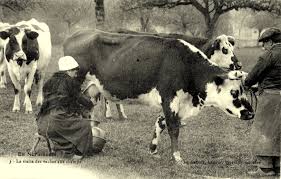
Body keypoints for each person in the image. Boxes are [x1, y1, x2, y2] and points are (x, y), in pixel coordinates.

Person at [36, 56, 95, 160]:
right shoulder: (70, 82)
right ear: (68, 71)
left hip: (42, 123)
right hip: (56, 122)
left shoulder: (48, 82)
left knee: (71, 121)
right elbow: (79, 99)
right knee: (85, 125)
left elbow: (57, 102)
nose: (76, 73)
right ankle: (78, 154)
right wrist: (91, 104)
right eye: (75, 71)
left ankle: (61, 148)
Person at [245, 27, 281, 176]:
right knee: (278, 130)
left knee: (263, 130)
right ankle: (278, 165)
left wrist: (248, 83)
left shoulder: (270, 54)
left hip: (270, 97)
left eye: (264, 42)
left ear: (270, 41)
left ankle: (266, 168)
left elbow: (251, 77)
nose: (263, 46)